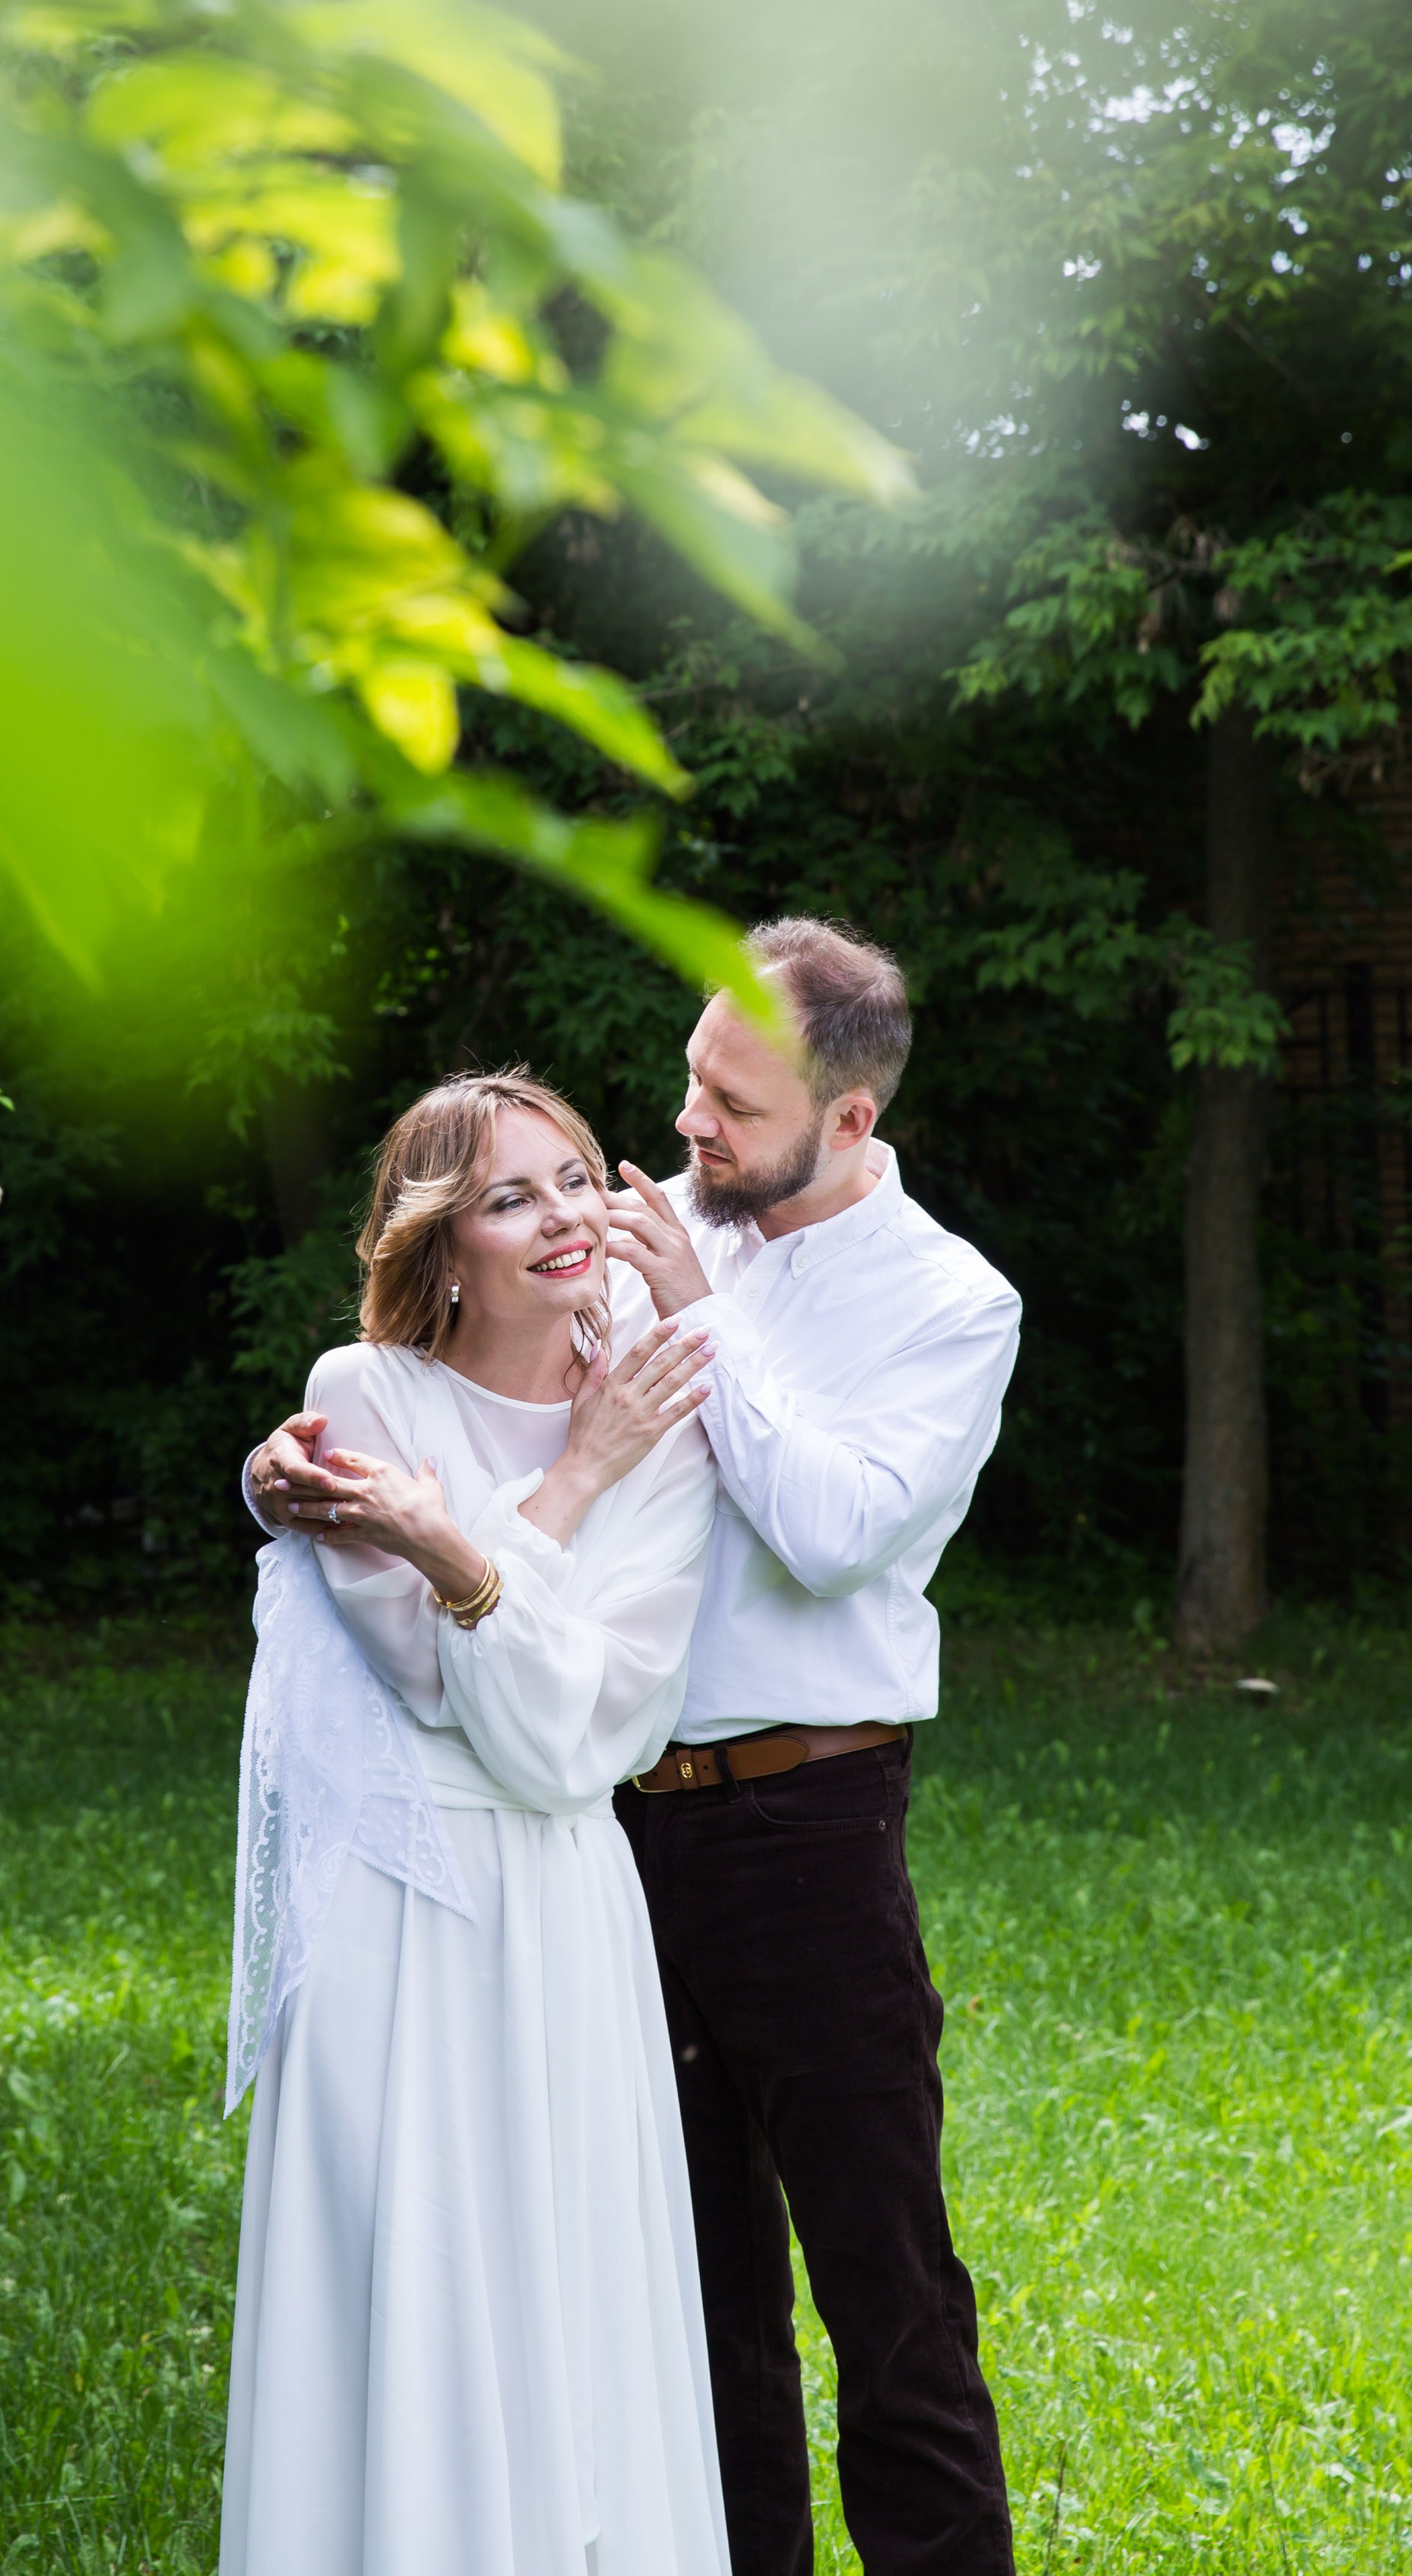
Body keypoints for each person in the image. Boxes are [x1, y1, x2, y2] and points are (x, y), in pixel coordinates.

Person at [251, 920, 1024, 2576]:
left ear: (850, 1122)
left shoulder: (950, 1304)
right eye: (687, 1081)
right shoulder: (633, 1224)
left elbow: (830, 1535)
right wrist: (279, 1483)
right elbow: (446, 1386)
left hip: (802, 1818)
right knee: (683, 2285)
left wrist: (706, 1338)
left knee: (883, 2283)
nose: (686, 1129)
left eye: (731, 1107)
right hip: (599, 1830)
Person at [221, 1069, 730, 2576]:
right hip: (396, 1907)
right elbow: (436, 1690)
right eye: (510, 1196)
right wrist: (566, 1487)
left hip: (563, 1909)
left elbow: (583, 1741)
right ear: (442, 1246)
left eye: (573, 1178)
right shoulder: (365, 1395)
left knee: (570, 2299)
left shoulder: (661, 1406)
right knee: (407, 2286)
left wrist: (462, 1546)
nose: (563, 1218)